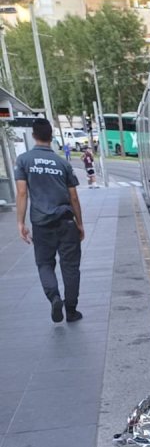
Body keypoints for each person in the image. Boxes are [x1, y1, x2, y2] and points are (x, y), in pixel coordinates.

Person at [15, 117, 84, 323]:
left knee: (44, 263)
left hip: (41, 223)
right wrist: (79, 223)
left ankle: (54, 297)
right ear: (51, 136)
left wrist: (20, 222)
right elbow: (73, 196)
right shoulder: (62, 163)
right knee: (70, 266)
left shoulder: (24, 160)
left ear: (34, 136)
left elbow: (21, 193)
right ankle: (71, 311)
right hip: (66, 221)